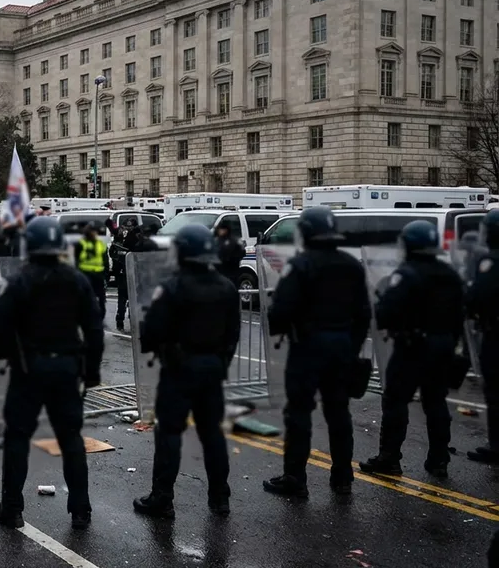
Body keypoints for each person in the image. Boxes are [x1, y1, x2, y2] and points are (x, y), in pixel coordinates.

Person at [0, 216, 105, 530]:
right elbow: (94, 329)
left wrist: (5, 354)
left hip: (28, 370)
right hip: (67, 370)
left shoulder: (22, 280)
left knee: (18, 438)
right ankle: (81, 509)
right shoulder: (76, 280)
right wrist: (91, 371)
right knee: (70, 439)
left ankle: (12, 508)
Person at [132, 224, 240, 518]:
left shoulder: (173, 287)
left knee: (169, 434)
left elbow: (153, 330)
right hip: (212, 368)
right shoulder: (227, 287)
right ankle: (220, 498)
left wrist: (156, 344)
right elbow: (233, 333)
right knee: (212, 435)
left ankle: (162, 497)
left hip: (179, 369)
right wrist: (220, 362)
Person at [263, 207, 371, 498]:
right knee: (339, 412)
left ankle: (295, 478)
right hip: (341, 347)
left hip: (307, 348)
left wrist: (282, 326)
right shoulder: (352, 265)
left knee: (299, 413)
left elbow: (282, 310)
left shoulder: (301, 265)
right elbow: (364, 314)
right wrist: (351, 345)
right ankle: (342, 476)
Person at [360, 220, 464, 479]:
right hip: (443, 345)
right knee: (436, 402)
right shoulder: (449, 274)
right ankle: (439, 460)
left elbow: (387, 314)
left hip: (412, 346)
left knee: (395, 400)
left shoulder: (406, 274)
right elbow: (462, 311)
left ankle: (389, 458)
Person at [464, 209, 499, 465]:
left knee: (495, 391)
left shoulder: (490, 262)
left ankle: (497, 446)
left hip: (496, 334)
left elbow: (479, 297)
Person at [73, 222, 109, 313]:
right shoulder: (81, 244)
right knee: (85, 298)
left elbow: (105, 261)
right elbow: (75, 260)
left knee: (101, 300)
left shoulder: (100, 244)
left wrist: (106, 275)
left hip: (97, 275)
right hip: (85, 274)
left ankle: (99, 317)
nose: (94, 233)